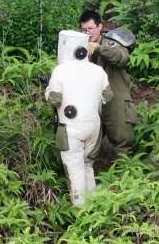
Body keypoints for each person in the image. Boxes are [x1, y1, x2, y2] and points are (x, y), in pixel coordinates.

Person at [45, 44, 112, 206]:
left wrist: (47, 90)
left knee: (74, 171)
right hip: (94, 128)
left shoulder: (60, 70)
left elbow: (54, 100)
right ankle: (95, 207)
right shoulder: (98, 70)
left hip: (70, 129)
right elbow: (108, 96)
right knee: (88, 166)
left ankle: (80, 212)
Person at [79, 10, 137, 155]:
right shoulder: (80, 46)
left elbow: (121, 58)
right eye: (84, 30)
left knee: (123, 142)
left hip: (115, 99)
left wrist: (99, 49)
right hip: (91, 101)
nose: (87, 33)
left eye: (90, 29)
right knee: (87, 146)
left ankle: (126, 175)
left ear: (100, 27)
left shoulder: (112, 43)